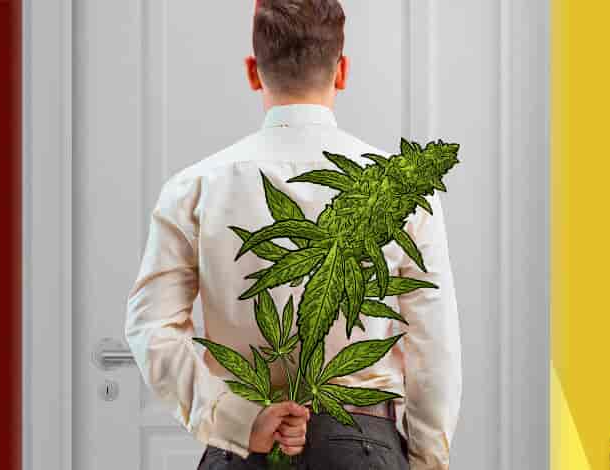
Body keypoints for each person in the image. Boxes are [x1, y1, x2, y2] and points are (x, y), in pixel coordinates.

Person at [124, 1, 462, 468]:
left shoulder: (194, 188)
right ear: (341, 71)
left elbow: (151, 330)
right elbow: (434, 349)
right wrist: (425, 461)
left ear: (253, 71)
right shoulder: (401, 190)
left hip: (246, 448)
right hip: (362, 446)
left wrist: (237, 419)